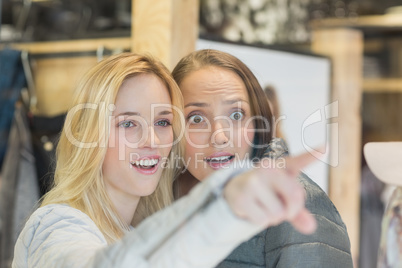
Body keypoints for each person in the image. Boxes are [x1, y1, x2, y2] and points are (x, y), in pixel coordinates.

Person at [12, 53, 317, 268]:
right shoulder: (56, 225)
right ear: (90, 135)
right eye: (128, 123)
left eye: (162, 122)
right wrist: (225, 209)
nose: (153, 141)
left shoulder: (137, 229)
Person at [172, 49, 354, 267]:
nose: (219, 136)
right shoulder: (172, 203)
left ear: (259, 122)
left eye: (236, 115)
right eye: (197, 118)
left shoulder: (295, 201)